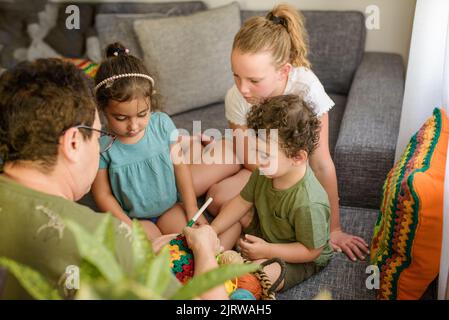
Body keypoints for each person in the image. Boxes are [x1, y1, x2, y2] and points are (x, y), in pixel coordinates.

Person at [0, 58, 227, 300]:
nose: (101, 145)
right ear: (73, 143)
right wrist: (204, 249)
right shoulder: (102, 241)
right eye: (98, 135)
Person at [191, 4, 369, 261]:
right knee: (193, 177)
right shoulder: (237, 96)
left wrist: (335, 229)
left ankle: (256, 217)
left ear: (283, 71)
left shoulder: (306, 89)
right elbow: (248, 156)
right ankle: (201, 151)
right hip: (256, 159)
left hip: (279, 164)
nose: (243, 88)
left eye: (254, 80)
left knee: (217, 197)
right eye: (236, 76)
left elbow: (320, 163)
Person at [211, 95, 334, 291]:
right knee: (229, 211)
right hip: (265, 232)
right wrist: (212, 230)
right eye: (256, 150)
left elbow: (311, 251)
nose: (257, 160)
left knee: (263, 275)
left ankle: (233, 285)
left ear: (297, 157)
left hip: (298, 257)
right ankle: (212, 258)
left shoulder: (309, 203)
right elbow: (241, 202)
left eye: (265, 154)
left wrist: (268, 250)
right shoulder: (265, 171)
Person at [91, 42, 207, 240]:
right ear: (103, 110)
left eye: (142, 114)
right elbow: (102, 195)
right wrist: (129, 227)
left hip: (170, 208)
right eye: (121, 118)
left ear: (150, 102)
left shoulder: (162, 124)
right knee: (154, 255)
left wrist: (192, 209)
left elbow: (181, 168)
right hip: (136, 220)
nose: (133, 126)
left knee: (194, 241)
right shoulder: (102, 146)